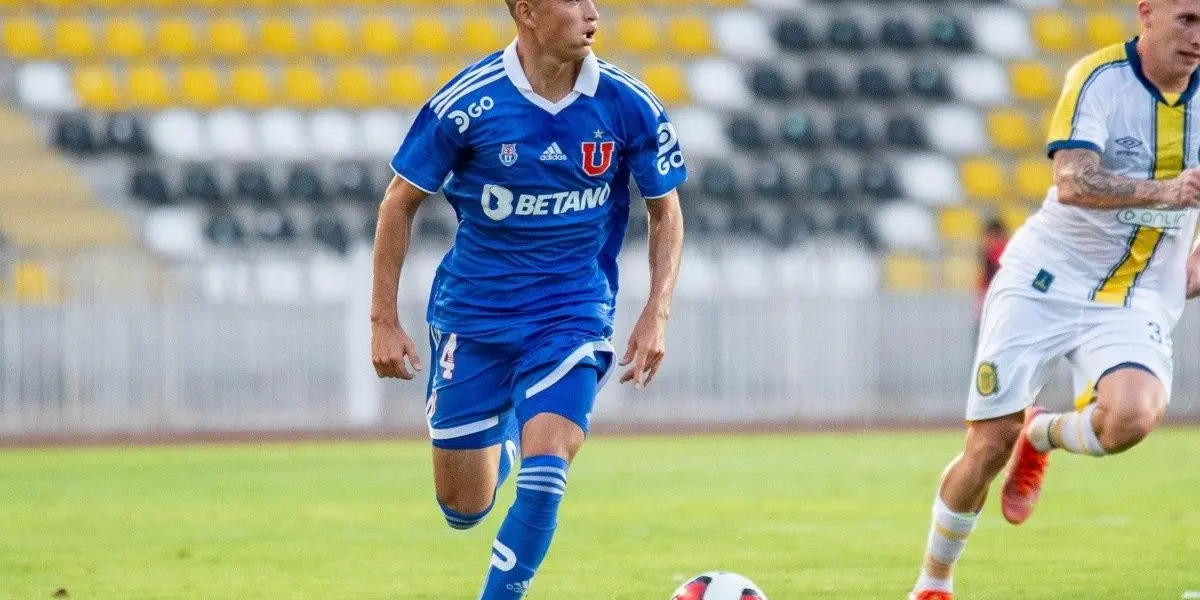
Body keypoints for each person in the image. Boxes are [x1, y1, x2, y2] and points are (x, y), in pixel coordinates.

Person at [368, 0, 687, 597]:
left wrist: (656, 311)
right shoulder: (468, 103)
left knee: (547, 475)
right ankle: (507, 439)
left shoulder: (627, 103)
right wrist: (383, 319)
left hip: (572, 313)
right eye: (573, 0)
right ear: (528, 12)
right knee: (462, 507)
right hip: (474, 318)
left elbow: (665, 209)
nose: (592, 13)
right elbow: (397, 203)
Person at [909, 1, 1200, 598]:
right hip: (1045, 280)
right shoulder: (1099, 78)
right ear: (1147, 13)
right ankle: (933, 584)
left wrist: (1182, 274)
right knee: (988, 444)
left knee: (1132, 418)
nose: (1198, 37)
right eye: (1188, 19)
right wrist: (1166, 190)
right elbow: (1072, 181)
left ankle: (1040, 435)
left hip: (1133, 295)